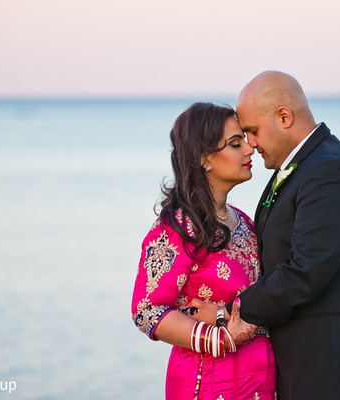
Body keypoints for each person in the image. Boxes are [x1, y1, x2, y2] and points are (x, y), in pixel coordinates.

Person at [191, 71, 340, 399]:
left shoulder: (330, 171)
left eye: (253, 131)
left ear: (284, 116)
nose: (250, 144)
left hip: (333, 370)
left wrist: (228, 312)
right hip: (306, 367)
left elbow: (303, 272)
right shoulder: (303, 168)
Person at [130, 102, 276, 400]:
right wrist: (217, 337)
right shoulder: (179, 227)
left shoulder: (244, 222)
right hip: (209, 381)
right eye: (235, 143)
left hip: (263, 381)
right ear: (203, 158)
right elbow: (146, 310)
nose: (249, 149)